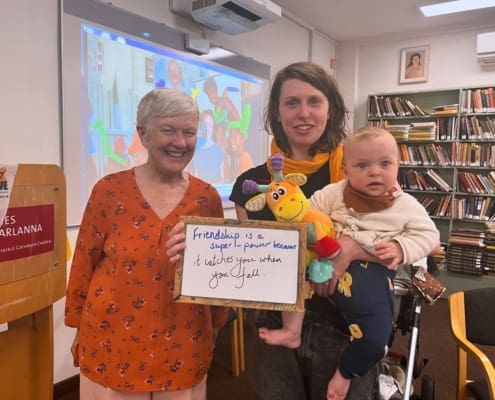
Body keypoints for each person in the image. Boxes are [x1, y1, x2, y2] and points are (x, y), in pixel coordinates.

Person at [229, 61, 382, 400]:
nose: (303, 113)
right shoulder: (250, 185)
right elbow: (246, 259)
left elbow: (397, 241)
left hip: (345, 326)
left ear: (331, 110)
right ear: (277, 113)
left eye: (314, 101)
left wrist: (352, 250)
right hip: (276, 326)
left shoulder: (359, 172)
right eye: (292, 103)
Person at [64, 88, 228, 400]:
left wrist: (218, 322)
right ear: (143, 134)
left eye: (189, 132)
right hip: (113, 340)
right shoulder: (109, 191)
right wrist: (76, 326)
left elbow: (218, 273)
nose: (179, 142)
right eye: (168, 130)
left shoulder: (206, 197)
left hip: (184, 338)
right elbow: (84, 261)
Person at [258, 126, 440, 399]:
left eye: (384, 164)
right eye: (362, 165)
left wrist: (401, 248)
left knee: (376, 340)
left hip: (370, 280)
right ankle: (291, 331)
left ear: (398, 166)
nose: (375, 172)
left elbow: (429, 237)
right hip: (321, 273)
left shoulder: (405, 205)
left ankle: (345, 373)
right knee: (290, 275)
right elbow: (308, 213)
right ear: (345, 170)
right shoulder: (334, 193)